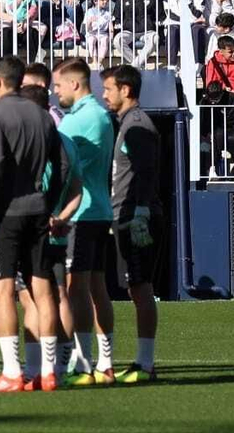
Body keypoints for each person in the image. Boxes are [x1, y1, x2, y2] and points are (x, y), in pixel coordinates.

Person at [0, 55, 73, 394]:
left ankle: (13, 372)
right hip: (37, 208)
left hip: (9, 213)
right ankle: (48, 372)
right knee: (43, 290)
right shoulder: (43, 115)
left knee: (3, 290)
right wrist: (50, 202)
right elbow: (61, 166)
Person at [51, 58, 119, 386]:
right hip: (97, 209)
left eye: (58, 86)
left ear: (75, 85)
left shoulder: (80, 120)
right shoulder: (97, 115)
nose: (55, 93)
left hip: (81, 213)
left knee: (76, 289)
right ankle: (103, 363)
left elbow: (60, 168)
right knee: (96, 287)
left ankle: (84, 363)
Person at [101, 64, 161, 383]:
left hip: (137, 216)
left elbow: (146, 170)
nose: (104, 95)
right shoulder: (126, 123)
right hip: (126, 213)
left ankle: (146, 363)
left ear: (126, 90)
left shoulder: (137, 123)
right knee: (136, 288)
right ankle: (144, 361)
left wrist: (140, 211)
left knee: (140, 287)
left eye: (109, 88)